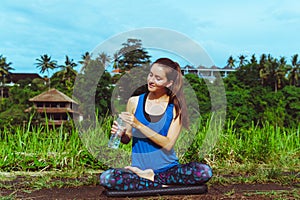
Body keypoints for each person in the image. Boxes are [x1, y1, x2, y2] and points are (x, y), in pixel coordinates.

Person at [100, 58, 212, 191]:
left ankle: (152, 181)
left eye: (158, 78)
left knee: (204, 171)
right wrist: (121, 134)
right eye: (150, 75)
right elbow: (127, 138)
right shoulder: (134, 102)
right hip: (138, 171)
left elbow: (168, 144)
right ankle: (159, 184)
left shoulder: (175, 107)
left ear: (169, 83)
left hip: (168, 171)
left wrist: (139, 125)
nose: (151, 80)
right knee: (107, 178)